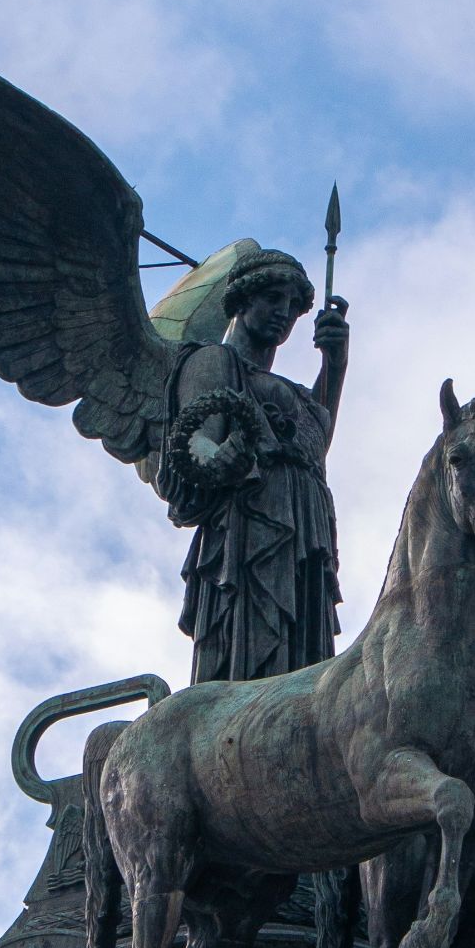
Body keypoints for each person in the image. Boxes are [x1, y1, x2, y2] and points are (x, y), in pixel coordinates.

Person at [157, 247, 350, 686]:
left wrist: (335, 365)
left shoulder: (292, 392)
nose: (283, 313)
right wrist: (218, 456)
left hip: (303, 533)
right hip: (248, 533)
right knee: (251, 659)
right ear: (243, 300)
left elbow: (313, 444)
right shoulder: (212, 361)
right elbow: (195, 438)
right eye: (272, 298)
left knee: (304, 673)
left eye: (293, 306)